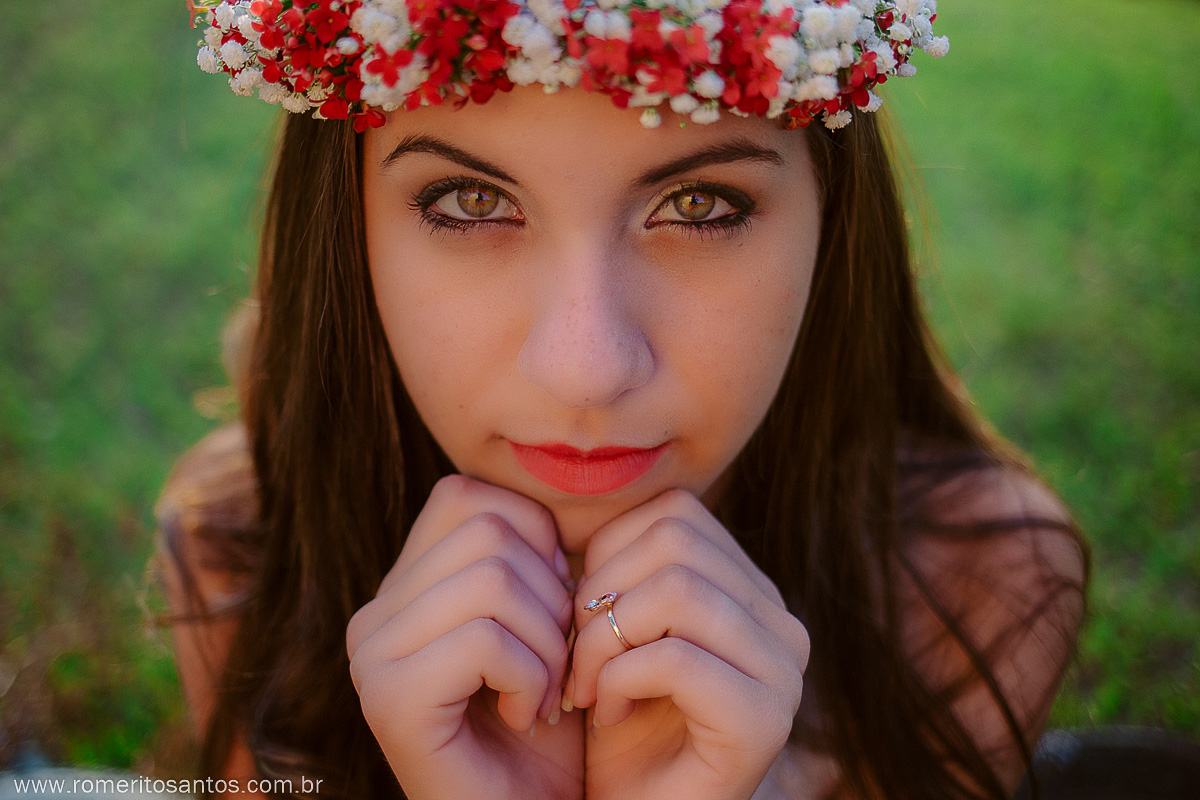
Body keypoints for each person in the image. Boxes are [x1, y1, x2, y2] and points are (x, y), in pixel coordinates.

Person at [156, 1, 1088, 798]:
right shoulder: (244, 558)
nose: (586, 370)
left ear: (832, 216)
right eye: (470, 201)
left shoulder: (977, 586)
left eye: (700, 205)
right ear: (345, 221)